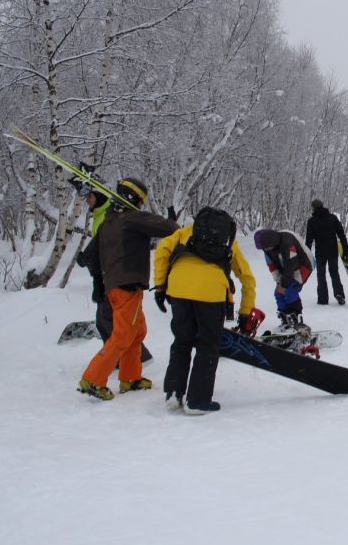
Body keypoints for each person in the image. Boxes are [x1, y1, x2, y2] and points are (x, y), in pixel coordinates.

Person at [77, 178, 178, 400]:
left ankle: (130, 378)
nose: (141, 206)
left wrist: (99, 284)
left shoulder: (108, 223)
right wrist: (172, 221)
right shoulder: (131, 218)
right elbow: (169, 228)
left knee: (136, 332)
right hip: (126, 287)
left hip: (115, 287)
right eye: (141, 201)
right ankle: (92, 379)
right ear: (134, 199)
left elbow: (90, 255)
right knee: (122, 335)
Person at [153, 207, 256, 414]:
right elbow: (247, 278)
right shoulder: (228, 241)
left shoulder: (185, 232)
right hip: (211, 294)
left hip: (179, 290)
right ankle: (197, 401)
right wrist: (245, 313)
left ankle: (173, 392)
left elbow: (162, 250)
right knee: (208, 345)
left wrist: (160, 286)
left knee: (181, 341)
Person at [73, 173, 152, 364]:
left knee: (109, 320)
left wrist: (93, 267)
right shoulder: (103, 215)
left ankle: (129, 358)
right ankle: (130, 358)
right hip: (109, 276)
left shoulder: (109, 216)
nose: (87, 202)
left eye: (89, 197)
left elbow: (106, 248)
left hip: (114, 277)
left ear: (99, 197)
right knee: (109, 321)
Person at [253, 228, 313, 328]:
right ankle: (286, 319)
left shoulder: (287, 241)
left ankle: (297, 319)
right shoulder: (267, 248)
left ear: (271, 241)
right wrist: (279, 282)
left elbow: (291, 264)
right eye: (264, 248)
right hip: (286, 270)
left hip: (303, 266)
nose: (266, 250)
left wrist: (284, 284)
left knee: (290, 291)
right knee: (278, 293)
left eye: (267, 247)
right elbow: (272, 267)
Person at [304, 199, 348, 306]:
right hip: (332, 250)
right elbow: (342, 235)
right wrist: (346, 250)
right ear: (323, 206)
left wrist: (306, 255)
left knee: (321, 275)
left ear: (313, 208)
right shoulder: (332, 218)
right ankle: (339, 294)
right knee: (334, 273)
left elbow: (309, 240)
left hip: (320, 252)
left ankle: (323, 299)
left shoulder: (312, 221)